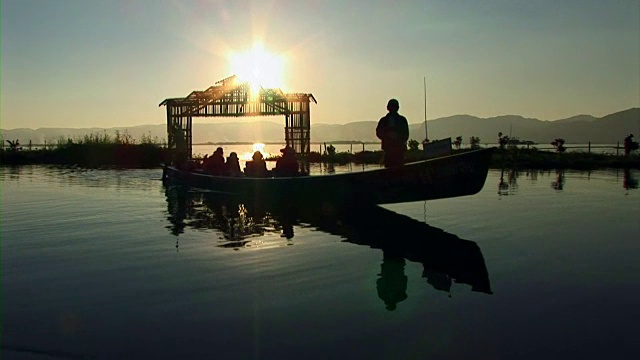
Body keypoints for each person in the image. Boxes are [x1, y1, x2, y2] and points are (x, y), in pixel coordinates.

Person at [376, 99, 409, 167]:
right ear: (388, 107)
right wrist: (387, 136)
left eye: (394, 106)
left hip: (399, 151)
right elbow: (378, 133)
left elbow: (406, 135)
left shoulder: (402, 120)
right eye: (391, 106)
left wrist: (397, 137)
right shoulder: (383, 120)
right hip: (388, 151)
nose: (393, 108)